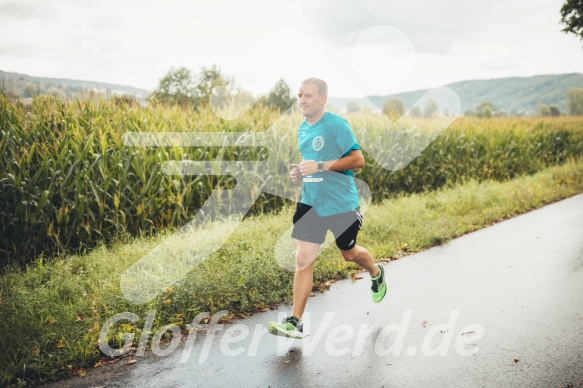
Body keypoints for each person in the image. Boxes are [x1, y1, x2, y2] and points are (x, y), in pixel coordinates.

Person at [267, 77, 387, 339]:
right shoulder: (302, 128)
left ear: (322, 98)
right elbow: (311, 163)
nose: (302, 101)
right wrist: (301, 173)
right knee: (302, 259)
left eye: (308, 96)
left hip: (341, 205)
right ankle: (295, 321)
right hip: (311, 203)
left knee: (349, 254)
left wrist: (320, 167)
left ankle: (376, 272)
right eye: (299, 95)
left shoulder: (335, 124)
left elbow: (358, 160)